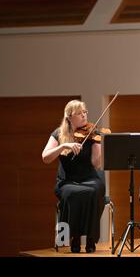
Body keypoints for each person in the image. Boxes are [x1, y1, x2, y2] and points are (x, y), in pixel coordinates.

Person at [42, 100, 105, 253]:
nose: (84, 116)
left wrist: (98, 146)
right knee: (73, 193)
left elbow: (96, 165)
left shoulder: (92, 133)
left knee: (95, 190)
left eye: (85, 112)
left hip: (89, 177)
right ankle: (74, 237)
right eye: (79, 113)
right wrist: (63, 146)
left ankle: (90, 237)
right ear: (69, 117)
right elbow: (45, 157)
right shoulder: (58, 134)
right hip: (67, 180)